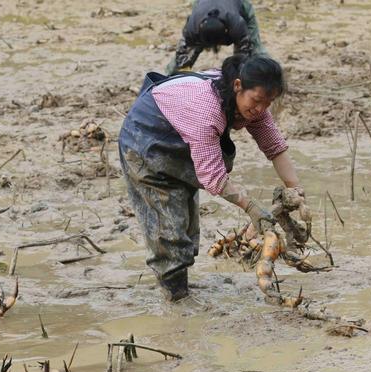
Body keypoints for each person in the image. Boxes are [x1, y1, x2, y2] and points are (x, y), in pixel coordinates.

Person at [119, 54, 303, 302]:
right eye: (257, 101)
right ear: (238, 86)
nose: (260, 109)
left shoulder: (252, 103)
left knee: (187, 234)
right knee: (170, 237)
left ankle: (180, 290)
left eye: (267, 103)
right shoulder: (206, 110)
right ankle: (177, 304)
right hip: (144, 144)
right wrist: (252, 209)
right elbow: (212, 176)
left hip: (177, 146)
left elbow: (274, 146)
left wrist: (296, 192)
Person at [166, 0, 269, 75]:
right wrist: (183, 72)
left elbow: (243, 53)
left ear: (226, 32)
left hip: (238, 4)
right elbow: (182, 53)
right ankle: (164, 80)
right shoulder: (193, 27)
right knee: (183, 60)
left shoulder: (237, 25)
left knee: (254, 49)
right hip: (202, 4)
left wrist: (236, 77)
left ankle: (269, 74)